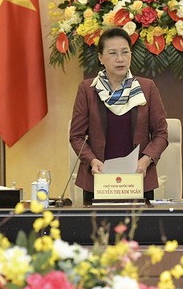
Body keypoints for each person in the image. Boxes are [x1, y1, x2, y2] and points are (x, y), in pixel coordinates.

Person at [69, 28, 168, 201]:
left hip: (138, 180)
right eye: (113, 53)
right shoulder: (87, 90)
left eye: (125, 52)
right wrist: (92, 161)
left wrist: (145, 161)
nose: (120, 59)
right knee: (98, 229)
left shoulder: (147, 88)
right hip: (99, 181)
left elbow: (161, 133)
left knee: (138, 228)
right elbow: (76, 136)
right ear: (100, 57)